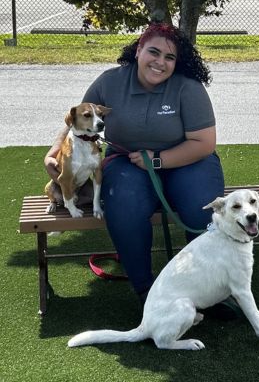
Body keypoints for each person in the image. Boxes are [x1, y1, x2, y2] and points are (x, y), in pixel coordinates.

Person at [44, 22, 225, 306]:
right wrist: (54, 151)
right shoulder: (109, 82)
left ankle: (207, 290)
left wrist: (156, 159)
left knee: (203, 210)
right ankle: (146, 290)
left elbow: (203, 142)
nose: (160, 62)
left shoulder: (188, 88)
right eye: (153, 52)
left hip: (188, 160)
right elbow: (78, 121)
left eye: (169, 57)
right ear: (138, 50)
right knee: (124, 205)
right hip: (127, 161)